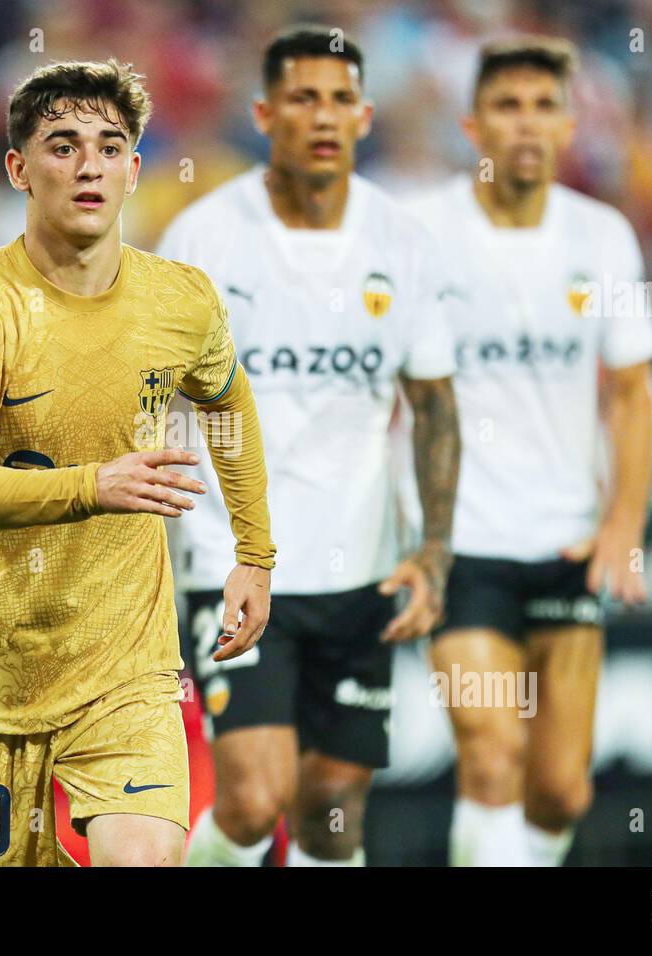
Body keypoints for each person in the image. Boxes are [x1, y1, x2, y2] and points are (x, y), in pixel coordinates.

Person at [0, 59, 275, 867]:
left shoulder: (181, 300)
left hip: (129, 671)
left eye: (110, 148)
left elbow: (229, 405)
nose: (88, 166)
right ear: (18, 168)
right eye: (63, 145)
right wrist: (92, 486)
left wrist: (255, 553)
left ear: (134, 170)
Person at [159, 26, 460, 867]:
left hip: (361, 561)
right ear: (264, 112)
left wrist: (433, 552)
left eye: (339, 99)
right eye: (302, 97)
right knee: (255, 799)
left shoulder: (402, 243)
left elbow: (433, 406)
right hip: (234, 561)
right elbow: (153, 401)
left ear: (365, 115)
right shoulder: (204, 239)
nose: (322, 115)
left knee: (332, 807)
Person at [400, 37, 652, 866]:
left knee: (560, 789)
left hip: (565, 540)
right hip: (462, 545)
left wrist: (623, 524)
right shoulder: (421, 234)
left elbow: (631, 394)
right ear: (473, 125)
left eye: (544, 106)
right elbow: (393, 391)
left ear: (570, 124)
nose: (527, 123)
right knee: (489, 752)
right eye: (508, 106)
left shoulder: (603, 236)